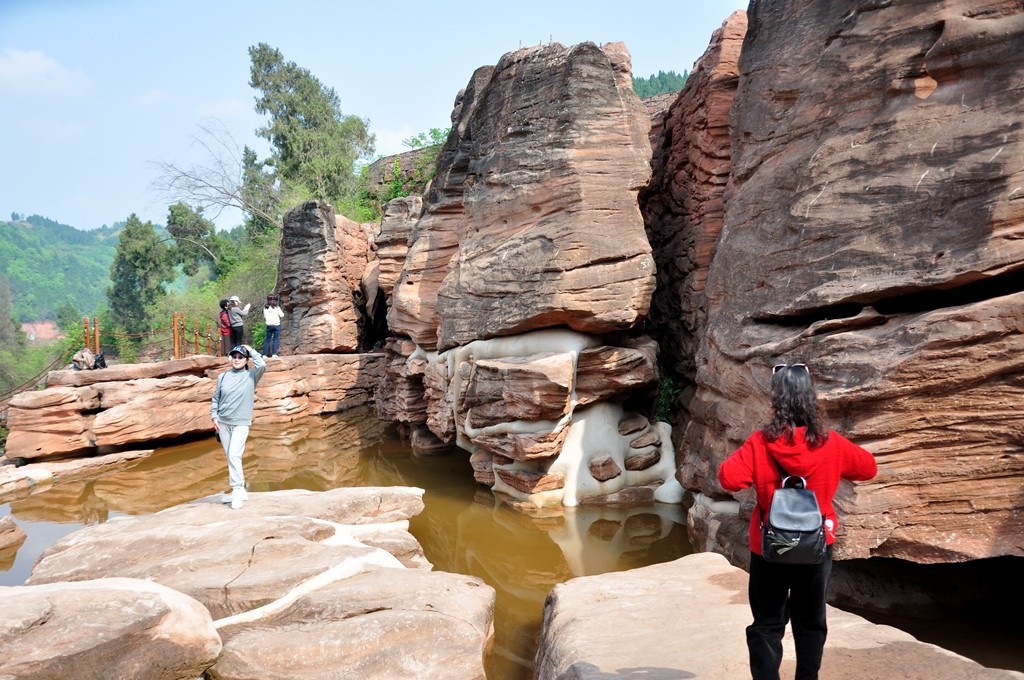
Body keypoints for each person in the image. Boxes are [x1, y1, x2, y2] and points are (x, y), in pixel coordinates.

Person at [718, 363, 877, 680]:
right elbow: (868, 468)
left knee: (767, 623)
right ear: (810, 399)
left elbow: (728, 478)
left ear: (776, 400)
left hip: (769, 548)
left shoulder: (760, 443)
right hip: (816, 546)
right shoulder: (830, 442)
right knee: (810, 620)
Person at [210, 344, 266, 509]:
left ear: (246, 360)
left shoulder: (251, 376)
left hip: (241, 423)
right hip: (223, 422)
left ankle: (236, 489)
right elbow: (216, 398)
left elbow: (262, 364)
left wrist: (250, 349)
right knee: (231, 456)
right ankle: (240, 490)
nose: (237, 360)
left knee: (234, 454)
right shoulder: (223, 377)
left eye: (241, 357)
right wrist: (214, 416)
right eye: (234, 357)